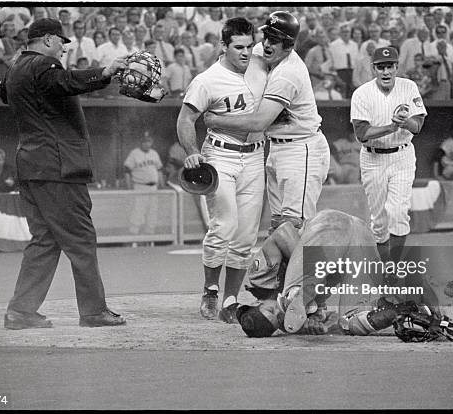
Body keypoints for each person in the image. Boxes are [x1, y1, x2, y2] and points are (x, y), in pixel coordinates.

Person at [0, 18, 129, 329]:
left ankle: (21, 311)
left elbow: (6, 92)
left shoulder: (16, 68)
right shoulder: (44, 65)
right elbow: (66, 82)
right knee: (81, 238)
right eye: (61, 40)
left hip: (31, 165)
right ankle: (94, 311)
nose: (64, 46)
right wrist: (106, 72)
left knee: (44, 240)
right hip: (58, 167)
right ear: (45, 40)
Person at [204, 11, 331, 233]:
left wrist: (216, 120)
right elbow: (228, 58)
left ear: (289, 46)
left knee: (294, 228)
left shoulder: (288, 73)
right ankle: (281, 269)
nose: (267, 44)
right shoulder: (265, 49)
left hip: (301, 149)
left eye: (275, 40)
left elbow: (258, 123)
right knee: (277, 226)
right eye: (267, 36)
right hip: (277, 148)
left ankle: (318, 268)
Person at [177, 17, 268, 323]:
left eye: (249, 46)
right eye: (238, 47)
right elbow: (186, 119)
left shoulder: (260, 68)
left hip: (255, 157)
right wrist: (191, 153)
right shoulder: (208, 79)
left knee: (245, 236)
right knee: (224, 225)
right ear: (223, 46)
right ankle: (210, 290)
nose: (245, 52)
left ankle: (231, 298)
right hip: (221, 155)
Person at [235, 209, 441, 337]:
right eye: (275, 323)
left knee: (293, 293)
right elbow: (324, 295)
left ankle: (296, 294)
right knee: (350, 323)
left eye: (270, 311)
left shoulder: (259, 281)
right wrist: (317, 318)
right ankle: (405, 297)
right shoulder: (293, 319)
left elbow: (284, 232)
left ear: (257, 304)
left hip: (330, 228)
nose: (277, 316)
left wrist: (308, 287)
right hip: (359, 240)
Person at [350, 46, 427, 270]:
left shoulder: (408, 86)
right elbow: (362, 134)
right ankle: (384, 270)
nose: (385, 72)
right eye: (380, 67)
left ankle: (394, 269)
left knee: (398, 211)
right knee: (379, 221)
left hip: (402, 154)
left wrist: (404, 122)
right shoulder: (362, 93)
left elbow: (418, 126)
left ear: (396, 67)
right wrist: (393, 125)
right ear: (373, 69)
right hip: (373, 158)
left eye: (390, 66)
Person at [124, 131, 163, 235]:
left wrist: (161, 186)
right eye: (144, 141)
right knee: (138, 211)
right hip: (140, 186)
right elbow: (127, 171)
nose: (147, 144)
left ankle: (150, 237)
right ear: (140, 142)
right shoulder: (134, 153)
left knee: (152, 212)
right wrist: (129, 189)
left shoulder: (154, 153)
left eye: (149, 141)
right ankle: (134, 235)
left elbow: (159, 170)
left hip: (153, 187)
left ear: (152, 142)